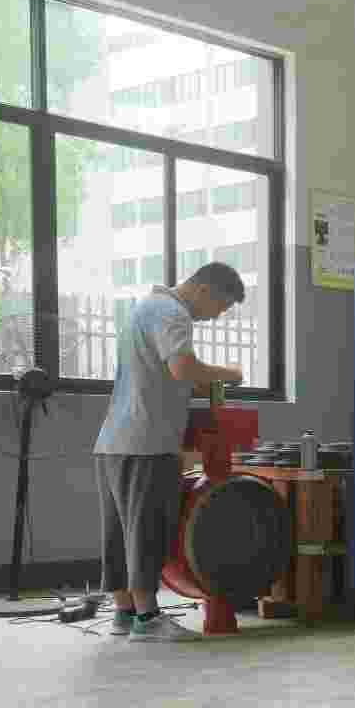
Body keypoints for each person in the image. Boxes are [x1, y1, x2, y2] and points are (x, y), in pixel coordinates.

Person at [93, 263, 248, 641]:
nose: (216, 316)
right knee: (146, 530)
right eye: (221, 307)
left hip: (115, 442)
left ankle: (125, 614)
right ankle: (148, 619)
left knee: (120, 533)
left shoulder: (146, 307)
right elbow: (182, 367)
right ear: (206, 290)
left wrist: (197, 385)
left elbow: (162, 375)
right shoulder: (173, 313)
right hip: (147, 443)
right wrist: (229, 373)